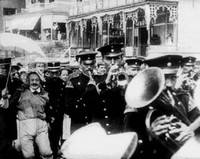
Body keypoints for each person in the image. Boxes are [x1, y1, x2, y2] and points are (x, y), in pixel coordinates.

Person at [124, 55, 200, 159]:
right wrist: (149, 136)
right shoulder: (136, 104)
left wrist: (191, 131)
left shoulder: (183, 98)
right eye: (164, 78)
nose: (169, 84)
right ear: (152, 79)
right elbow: (128, 146)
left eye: (173, 78)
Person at [9, 70, 53, 159]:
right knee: (28, 155)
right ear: (28, 81)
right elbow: (10, 107)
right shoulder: (20, 92)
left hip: (41, 126)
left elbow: (49, 110)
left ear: (40, 81)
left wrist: (47, 117)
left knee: (46, 152)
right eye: (32, 80)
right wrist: (18, 115)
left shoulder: (45, 93)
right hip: (25, 125)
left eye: (36, 80)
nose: (34, 82)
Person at [92, 44, 127, 134]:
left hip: (122, 128)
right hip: (102, 129)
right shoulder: (96, 79)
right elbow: (89, 100)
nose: (112, 62)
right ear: (103, 60)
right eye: (108, 59)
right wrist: (106, 82)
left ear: (122, 59)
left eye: (116, 58)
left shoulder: (129, 78)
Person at [65, 51, 100, 134]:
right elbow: (68, 105)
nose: (89, 67)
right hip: (79, 121)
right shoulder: (73, 79)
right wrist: (87, 92)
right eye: (86, 64)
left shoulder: (99, 78)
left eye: (91, 64)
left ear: (95, 64)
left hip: (95, 121)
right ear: (80, 64)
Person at [45, 61, 66, 159]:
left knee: (57, 135)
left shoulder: (63, 83)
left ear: (59, 72)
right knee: (46, 138)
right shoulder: (44, 84)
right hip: (46, 115)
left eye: (56, 73)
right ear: (48, 72)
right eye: (51, 73)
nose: (54, 75)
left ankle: (54, 152)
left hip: (59, 114)